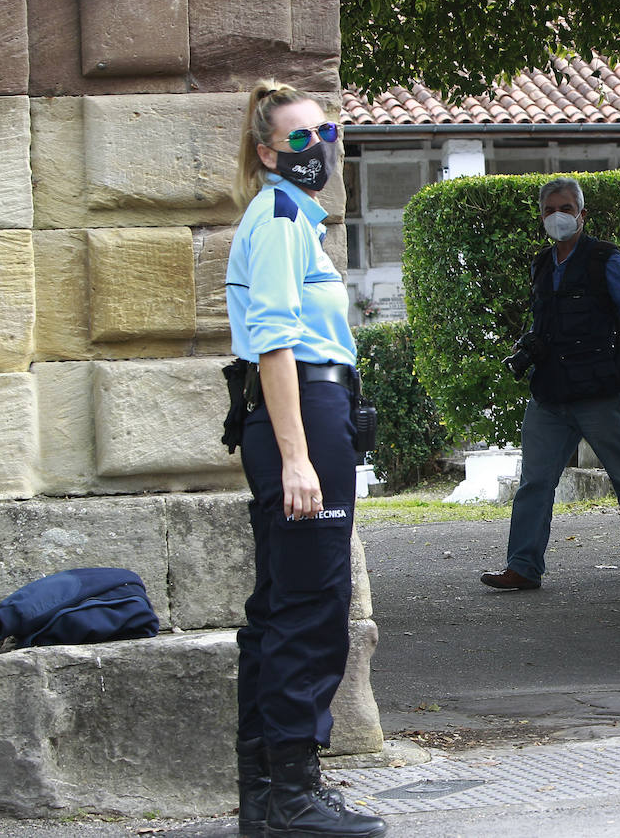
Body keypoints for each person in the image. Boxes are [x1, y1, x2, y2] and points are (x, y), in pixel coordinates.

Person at [226, 80, 388, 838]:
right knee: (312, 607)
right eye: (298, 138)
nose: (316, 146)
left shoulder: (291, 217)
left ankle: (266, 795)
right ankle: (294, 795)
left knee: (281, 607)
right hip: (303, 416)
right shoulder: (283, 215)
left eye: (323, 132)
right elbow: (274, 343)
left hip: (309, 414)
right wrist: (298, 458)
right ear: (267, 154)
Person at [481, 177, 620, 591]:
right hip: (550, 393)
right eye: (549, 210)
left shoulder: (606, 259)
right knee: (535, 481)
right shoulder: (542, 264)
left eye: (566, 208)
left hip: (599, 390)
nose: (557, 217)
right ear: (541, 216)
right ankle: (523, 567)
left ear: (582, 214)